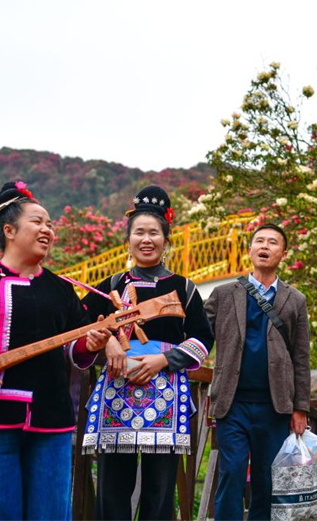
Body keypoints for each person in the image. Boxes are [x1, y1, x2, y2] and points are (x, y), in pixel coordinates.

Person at [0, 181, 110, 520]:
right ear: (9, 229)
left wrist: (91, 345)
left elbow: (75, 351)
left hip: (50, 421)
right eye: (38, 221)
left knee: (49, 512)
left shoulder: (62, 290)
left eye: (50, 224)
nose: (47, 229)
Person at [80, 186, 214, 520]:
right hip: (117, 387)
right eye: (139, 232)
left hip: (165, 392)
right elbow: (79, 325)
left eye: (154, 232)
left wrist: (164, 360)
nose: (146, 239)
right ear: (128, 238)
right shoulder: (109, 284)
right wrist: (109, 341)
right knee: (112, 484)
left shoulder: (184, 288)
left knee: (160, 487)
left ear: (166, 239)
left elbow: (202, 339)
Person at [207, 223, 312, 520]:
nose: (265, 246)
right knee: (232, 473)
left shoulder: (296, 300)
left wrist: (300, 407)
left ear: (284, 253)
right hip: (232, 403)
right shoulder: (224, 293)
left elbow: (301, 356)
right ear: (250, 250)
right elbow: (200, 337)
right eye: (259, 241)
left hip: (275, 406)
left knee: (267, 480)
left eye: (272, 242)